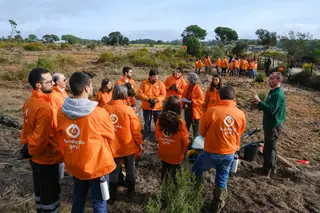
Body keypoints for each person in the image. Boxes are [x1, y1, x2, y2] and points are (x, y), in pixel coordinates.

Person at [56, 72, 116, 213]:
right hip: (97, 167)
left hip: (75, 165)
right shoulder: (99, 113)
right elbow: (110, 135)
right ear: (87, 88)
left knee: (78, 199)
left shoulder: (61, 112)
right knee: (99, 204)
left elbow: (60, 135)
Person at [192, 86, 246, 213]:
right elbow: (240, 131)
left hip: (211, 152)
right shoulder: (240, 113)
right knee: (222, 178)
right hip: (229, 153)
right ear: (234, 98)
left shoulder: (211, 111)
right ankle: (217, 206)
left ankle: (196, 195)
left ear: (219, 96)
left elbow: (202, 132)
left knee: (197, 169)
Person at [21, 68, 63, 213]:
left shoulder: (29, 102)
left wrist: (27, 148)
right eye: (49, 82)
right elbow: (40, 138)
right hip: (46, 158)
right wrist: (32, 150)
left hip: (34, 157)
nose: (53, 84)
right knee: (50, 196)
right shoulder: (44, 108)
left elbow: (26, 129)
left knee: (39, 191)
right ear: (38, 85)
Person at [104, 84, 143, 202]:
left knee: (113, 172)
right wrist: (139, 143)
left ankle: (113, 196)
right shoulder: (128, 110)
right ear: (125, 95)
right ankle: (130, 193)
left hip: (111, 147)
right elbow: (136, 130)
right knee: (130, 169)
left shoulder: (104, 108)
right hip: (128, 146)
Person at [252, 72, 286, 178]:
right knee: (269, 147)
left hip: (273, 126)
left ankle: (267, 171)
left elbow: (271, 110)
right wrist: (259, 104)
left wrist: (260, 101)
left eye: (272, 79)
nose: (269, 80)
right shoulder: (273, 92)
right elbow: (268, 107)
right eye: (269, 78)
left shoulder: (277, 94)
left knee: (270, 149)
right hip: (269, 124)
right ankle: (269, 169)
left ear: (278, 80)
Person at [155, 96, 189, 182]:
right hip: (176, 154)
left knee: (164, 171)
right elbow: (185, 141)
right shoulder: (180, 122)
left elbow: (157, 135)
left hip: (163, 151)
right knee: (175, 176)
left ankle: (163, 188)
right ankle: (174, 193)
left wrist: (163, 143)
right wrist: (183, 152)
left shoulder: (160, 119)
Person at [138, 69, 166, 141]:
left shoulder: (161, 84)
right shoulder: (144, 83)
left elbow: (163, 94)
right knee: (147, 122)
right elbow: (140, 93)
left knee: (158, 123)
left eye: (156, 76)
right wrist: (148, 99)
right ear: (149, 76)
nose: (156, 78)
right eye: (154, 77)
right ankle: (147, 135)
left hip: (157, 107)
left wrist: (156, 100)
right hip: (146, 107)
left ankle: (158, 137)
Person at [181, 72, 204, 140]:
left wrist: (192, 101)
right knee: (186, 126)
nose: (187, 80)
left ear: (192, 80)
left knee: (195, 129)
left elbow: (201, 100)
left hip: (194, 112)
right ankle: (185, 141)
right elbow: (183, 95)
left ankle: (196, 144)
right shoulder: (188, 86)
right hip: (187, 109)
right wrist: (183, 100)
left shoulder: (198, 89)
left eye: (189, 79)